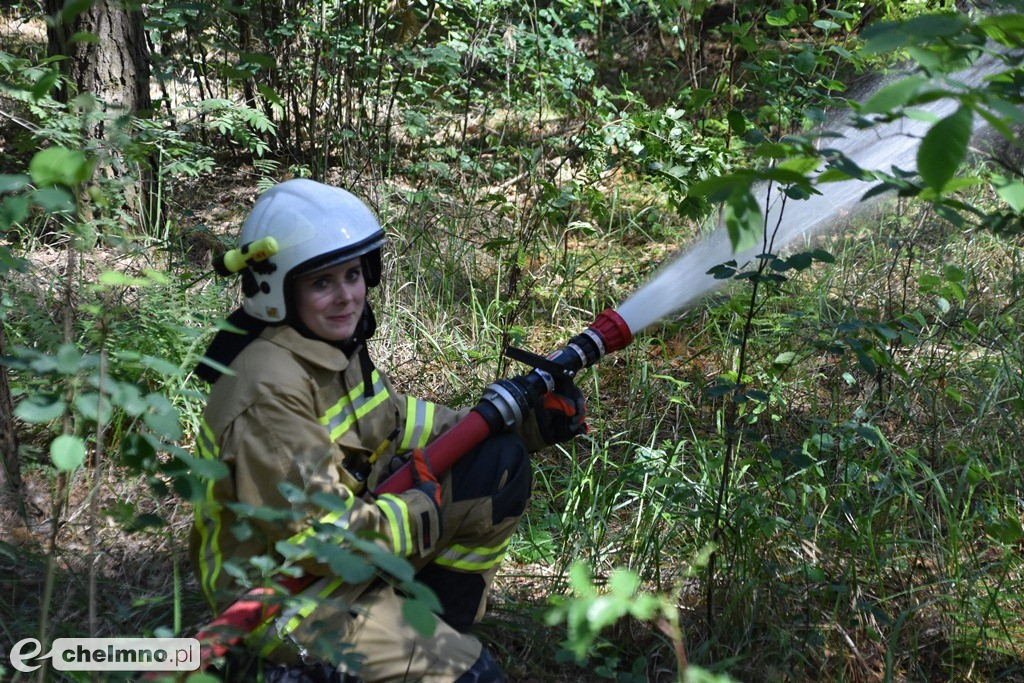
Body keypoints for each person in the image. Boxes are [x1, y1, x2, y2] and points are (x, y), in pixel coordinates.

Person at [190, 179, 588, 682]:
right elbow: (320, 538)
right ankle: (293, 669)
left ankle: (435, 627)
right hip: (290, 593)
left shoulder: (329, 346)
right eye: (322, 283)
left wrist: (523, 421)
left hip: (362, 542)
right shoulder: (266, 387)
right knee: (474, 678)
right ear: (279, 291)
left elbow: (398, 422)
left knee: (497, 463)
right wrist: (415, 513)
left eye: (353, 275)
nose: (346, 296)